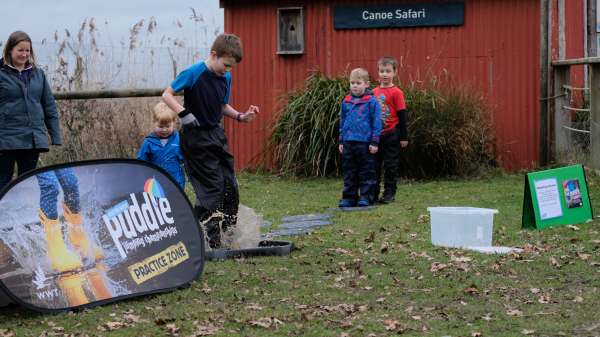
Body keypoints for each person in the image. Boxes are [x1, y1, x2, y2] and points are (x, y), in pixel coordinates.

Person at [161, 33, 258, 248]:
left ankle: (227, 235)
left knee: (230, 187)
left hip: (216, 135)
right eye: (226, 65)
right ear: (214, 55)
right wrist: (183, 113)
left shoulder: (226, 78)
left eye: (231, 67)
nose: (228, 70)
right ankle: (201, 237)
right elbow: (167, 94)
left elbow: (222, 106)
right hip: (196, 138)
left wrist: (242, 116)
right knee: (212, 189)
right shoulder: (195, 72)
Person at [0, 31, 61, 192]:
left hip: (32, 139)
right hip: (5, 139)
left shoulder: (38, 74)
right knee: (3, 182)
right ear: (10, 50)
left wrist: (55, 135)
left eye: (28, 50)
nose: (25, 54)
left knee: (26, 184)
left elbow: (49, 106)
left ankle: (21, 216)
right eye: (20, 50)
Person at [338, 68, 382, 208]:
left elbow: (376, 122)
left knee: (366, 171)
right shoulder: (346, 101)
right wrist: (341, 140)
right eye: (352, 83)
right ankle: (349, 197)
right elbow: (342, 121)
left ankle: (365, 196)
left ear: (367, 84)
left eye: (358, 83)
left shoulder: (372, 102)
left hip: (365, 143)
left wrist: (375, 141)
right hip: (348, 142)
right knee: (349, 171)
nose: (355, 86)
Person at [372, 56, 408, 204]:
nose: (385, 74)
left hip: (392, 134)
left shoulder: (397, 92)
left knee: (390, 165)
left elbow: (402, 115)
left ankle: (389, 193)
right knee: (374, 166)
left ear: (395, 72)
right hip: (376, 135)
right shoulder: (373, 92)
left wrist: (404, 137)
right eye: (382, 71)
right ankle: (372, 193)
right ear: (378, 72)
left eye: (388, 71)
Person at [137, 102, 185, 190]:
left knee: (176, 203)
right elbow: (141, 163)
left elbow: (185, 156)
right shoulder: (148, 142)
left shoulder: (179, 139)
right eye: (160, 126)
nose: (164, 130)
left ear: (173, 123)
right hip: (156, 183)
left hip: (176, 181)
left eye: (167, 126)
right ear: (154, 122)